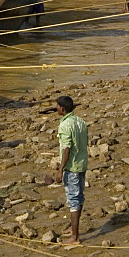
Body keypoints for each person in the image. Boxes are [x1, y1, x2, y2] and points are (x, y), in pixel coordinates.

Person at [56, 95, 88, 246]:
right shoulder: (80, 121)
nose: (56, 109)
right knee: (79, 198)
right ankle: (73, 229)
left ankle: (75, 237)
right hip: (82, 165)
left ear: (62, 109)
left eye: (57, 106)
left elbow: (67, 149)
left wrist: (60, 169)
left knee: (73, 200)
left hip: (72, 167)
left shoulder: (65, 125)